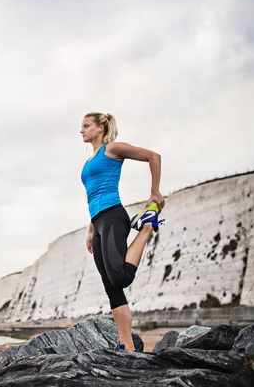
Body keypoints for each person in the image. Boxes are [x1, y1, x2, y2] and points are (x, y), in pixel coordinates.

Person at [80, 112, 165, 352]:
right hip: (98, 222)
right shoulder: (89, 161)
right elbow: (92, 196)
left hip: (114, 217)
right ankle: (126, 344)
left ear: (100, 128)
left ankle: (147, 226)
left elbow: (153, 156)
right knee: (111, 287)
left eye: (86, 126)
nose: (82, 130)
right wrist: (90, 231)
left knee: (121, 278)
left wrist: (155, 192)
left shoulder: (112, 149)